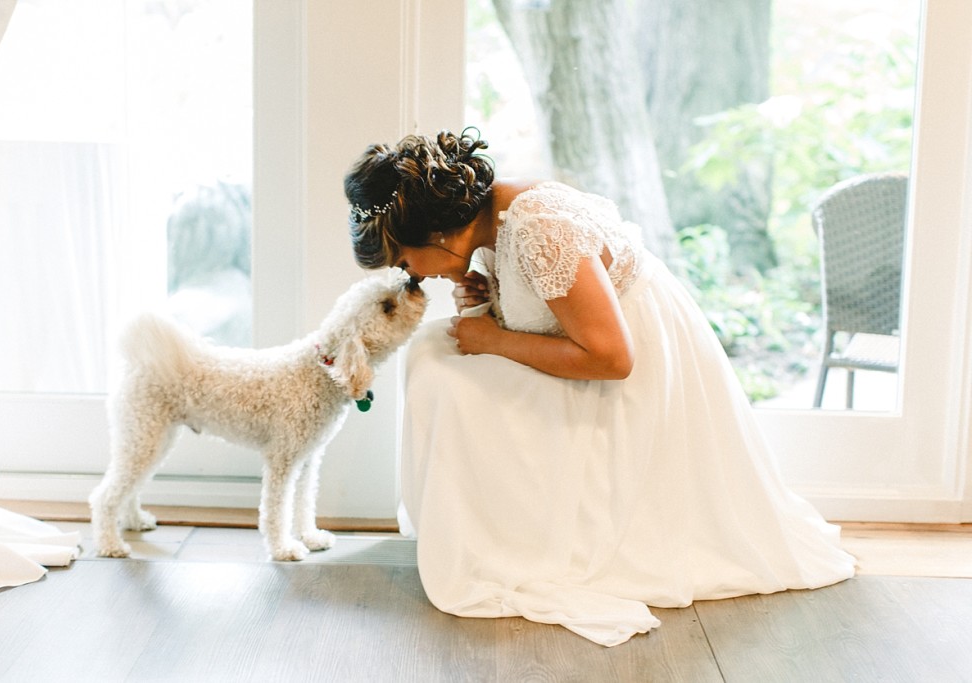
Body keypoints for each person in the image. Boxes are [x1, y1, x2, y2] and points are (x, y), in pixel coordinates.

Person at [343, 128, 855, 647]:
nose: (414, 276)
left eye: (404, 262)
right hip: (591, 349)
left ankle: (500, 541)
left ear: (434, 234)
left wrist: (495, 340)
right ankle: (477, 533)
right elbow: (544, 303)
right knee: (434, 353)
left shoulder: (539, 227)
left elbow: (613, 358)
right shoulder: (492, 219)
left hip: (634, 379)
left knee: (445, 374)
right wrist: (490, 293)